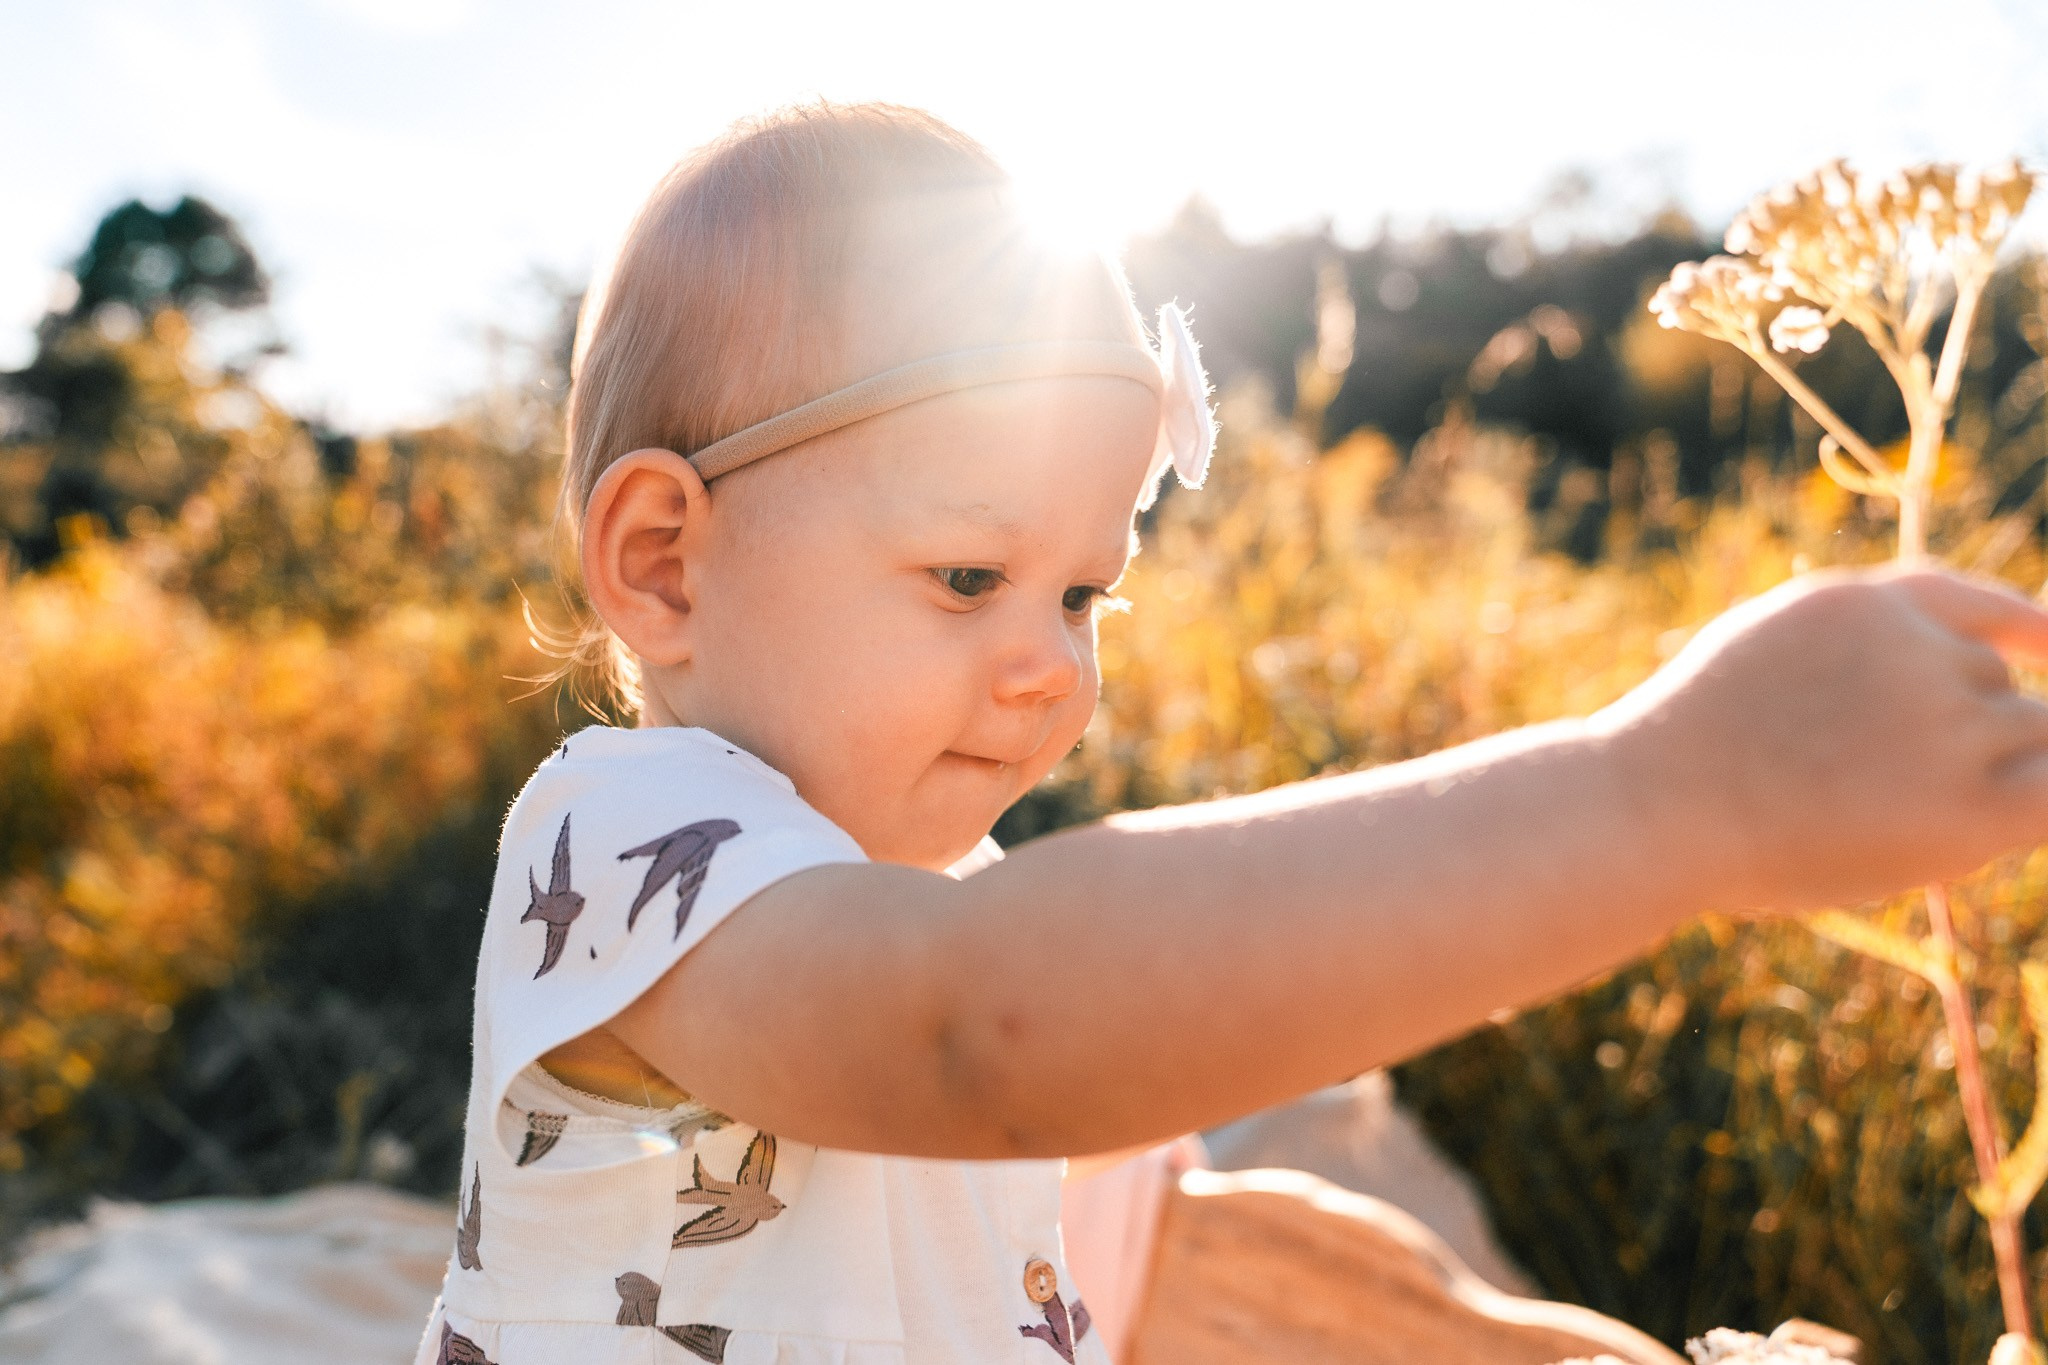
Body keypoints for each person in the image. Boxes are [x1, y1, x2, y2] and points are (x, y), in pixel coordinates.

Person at [412, 102, 2048, 1365]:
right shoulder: (622, 842)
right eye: (970, 575)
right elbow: (984, 1036)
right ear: (663, 561)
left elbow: (1109, 1183)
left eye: (1082, 595)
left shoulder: (933, 884)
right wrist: (1669, 795)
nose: (1051, 666)